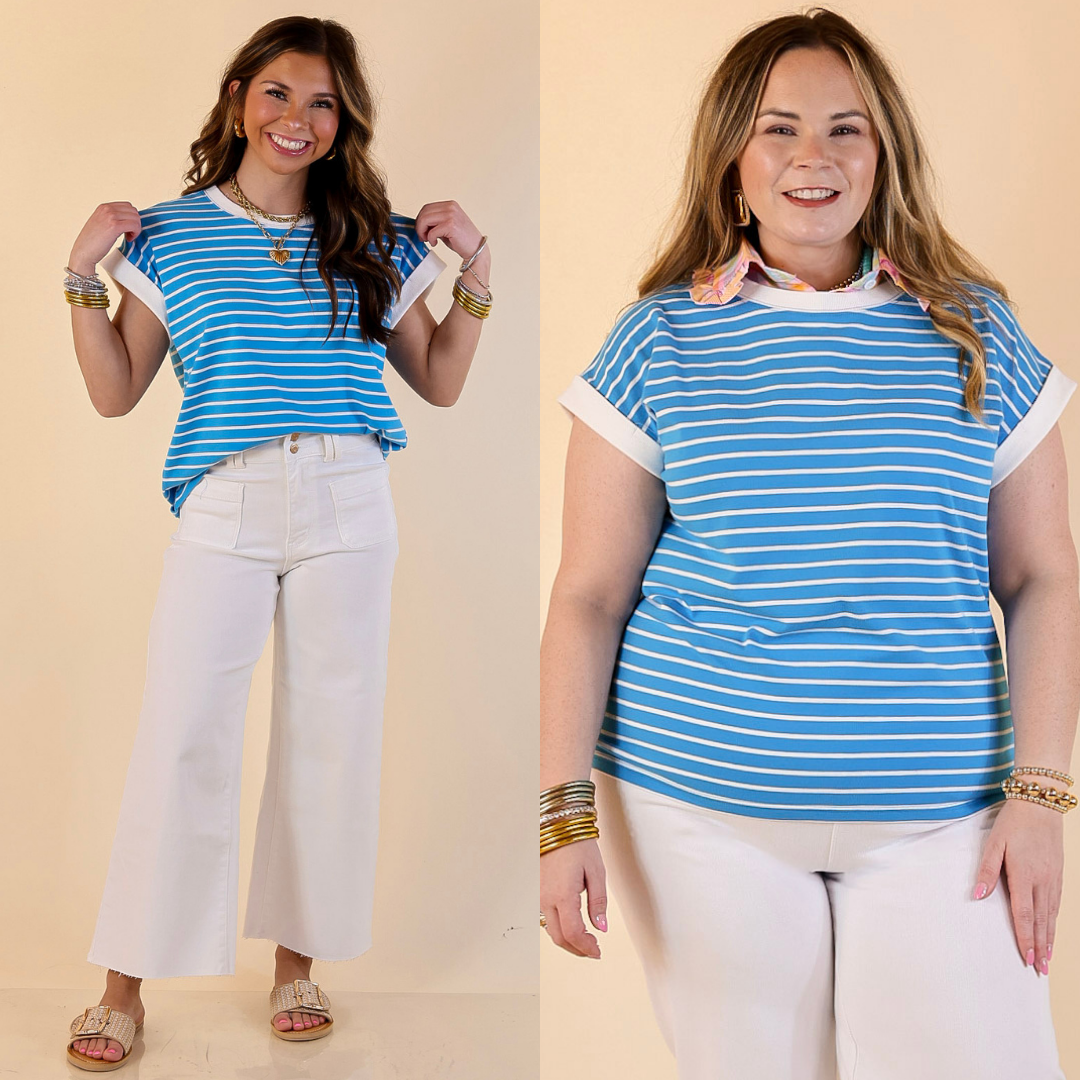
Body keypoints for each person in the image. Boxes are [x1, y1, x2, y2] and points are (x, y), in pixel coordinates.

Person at [539, 8, 1078, 1078]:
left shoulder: (976, 333)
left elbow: (1045, 577)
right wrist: (562, 818)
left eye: (848, 129)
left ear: (886, 156)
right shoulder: (659, 337)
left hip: (942, 809)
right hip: (696, 804)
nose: (813, 158)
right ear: (733, 156)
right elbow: (589, 597)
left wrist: (1043, 796)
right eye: (779, 128)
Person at [63, 15, 493, 1070]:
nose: (297, 119)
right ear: (236, 100)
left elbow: (439, 381)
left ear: (344, 123)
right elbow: (116, 392)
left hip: (351, 497)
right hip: (226, 500)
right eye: (279, 95)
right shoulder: (165, 235)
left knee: (331, 736)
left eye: (323, 103)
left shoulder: (376, 238)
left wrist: (475, 270)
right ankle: (123, 986)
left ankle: (297, 966)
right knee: (182, 732)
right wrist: (81, 277)